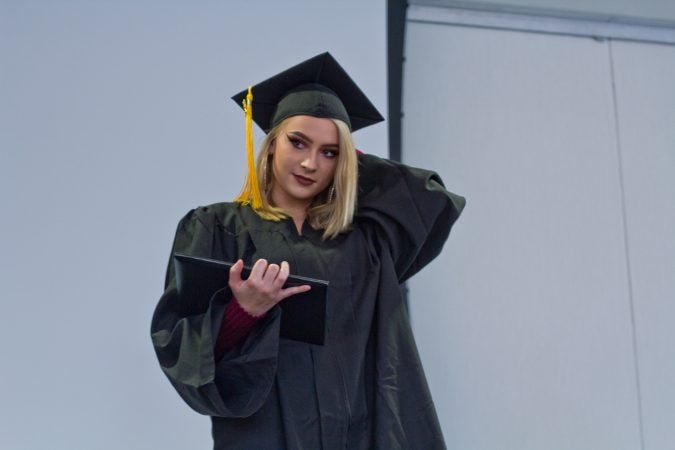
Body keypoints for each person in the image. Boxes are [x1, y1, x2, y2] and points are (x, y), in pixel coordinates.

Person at [151, 52, 466, 449]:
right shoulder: (216, 228)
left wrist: (352, 162)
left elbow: (431, 201)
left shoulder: (366, 242)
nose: (309, 163)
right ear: (269, 145)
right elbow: (180, 344)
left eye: (329, 152)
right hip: (267, 434)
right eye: (297, 142)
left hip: (361, 434)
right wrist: (242, 313)